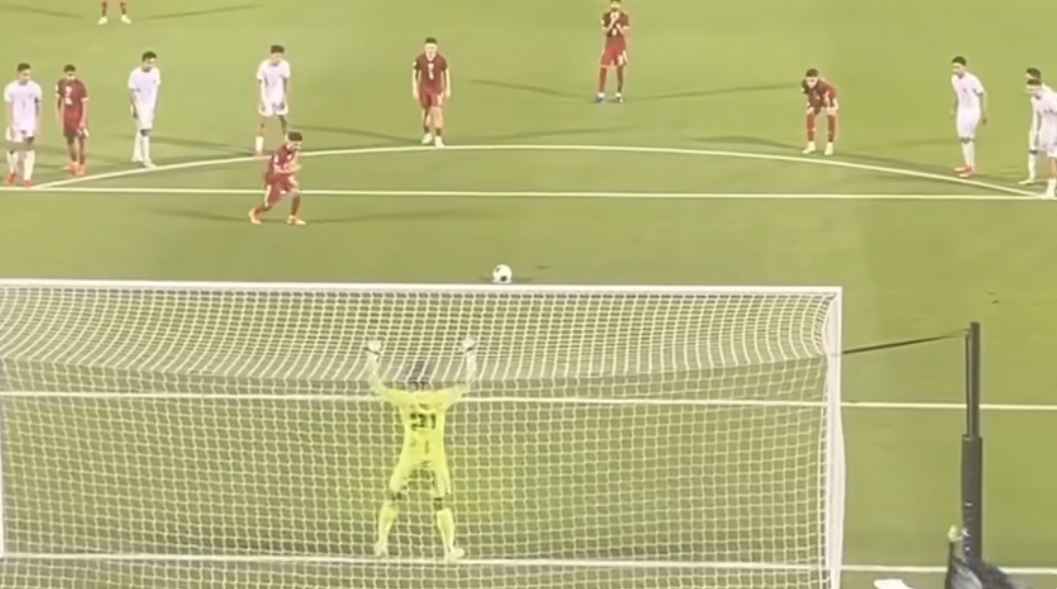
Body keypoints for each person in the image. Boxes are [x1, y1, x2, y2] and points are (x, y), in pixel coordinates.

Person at [366, 336, 478, 563]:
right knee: (441, 503)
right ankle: (449, 550)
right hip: (436, 457)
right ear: (428, 382)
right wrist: (470, 354)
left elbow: (375, 384)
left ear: (409, 382)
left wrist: (372, 356)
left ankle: (382, 543)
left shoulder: (404, 399)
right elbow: (468, 382)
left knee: (392, 497)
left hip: (410, 456)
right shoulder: (440, 398)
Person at [249, 131, 306, 225]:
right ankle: (254, 212)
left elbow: (292, 163)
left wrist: (292, 177)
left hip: (285, 177)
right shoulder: (280, 154)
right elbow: (277, 170)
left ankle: (293, 217)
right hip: (274, 179)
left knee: (296, 194)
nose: (298, 147)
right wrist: (292, 170)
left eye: (299, 145)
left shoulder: (294, 151)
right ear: (288, 142)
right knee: (269, 205)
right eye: (295, 144)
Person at [4, 63, 42, 186]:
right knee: (11, 149)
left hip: (29, 124)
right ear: (19, 74)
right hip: (15, 123)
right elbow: (8, 107)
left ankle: (27, 177)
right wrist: (10, 124)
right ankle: (13, 171)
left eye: (29, 75)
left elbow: (38, 106)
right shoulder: (10, 88)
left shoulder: (35, 88)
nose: (27, 77)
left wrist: (37, 124)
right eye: (25, 74)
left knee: (28, 149)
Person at [950, 56, 987, 178]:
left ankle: (971, 167)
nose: (955, 70)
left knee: (967, 139)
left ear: (964, 67)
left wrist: (984, 112)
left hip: (973, 112)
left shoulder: (972, 80)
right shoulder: (954, 79)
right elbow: (958, 94)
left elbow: (982, 94)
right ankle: (967, 164)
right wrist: (953, 109)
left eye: (958, 67)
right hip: (962, 111)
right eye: (954, 67)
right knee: (963, 139)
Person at [412, 38, 451, 148]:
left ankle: (438, 137)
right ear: (425, 48)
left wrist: (448, 88)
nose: (430, 50)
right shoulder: (420, 59)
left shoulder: (441, 60)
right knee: (425, 112)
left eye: (432, 47)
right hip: (424, 89)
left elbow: (446, 72)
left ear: (436, 48)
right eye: (428, 47)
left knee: (437, 111)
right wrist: (414, 89)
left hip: (436, 89)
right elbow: (414, 75)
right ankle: (427, 133)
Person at [254, 45, 292, 156]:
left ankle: (288, 146)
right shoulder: (263, 66)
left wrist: (285, 97)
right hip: (267, 98)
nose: (278, 59)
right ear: (271, 55)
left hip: (279, 97)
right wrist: (262, 99)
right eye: (276, 56)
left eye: (280, 56)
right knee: (263, 123)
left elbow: (286, 81)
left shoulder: (285, 65)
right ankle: (258, 149)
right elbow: (260, 83)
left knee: (284, 121)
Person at [128, 51, 161, 167]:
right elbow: (131, 92)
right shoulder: (135, 74)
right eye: (148, 62)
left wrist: (154, 106)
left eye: (153, 63)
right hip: (139, 107)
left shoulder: (156, 72)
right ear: (143, 61)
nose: (151, 65)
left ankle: (136, 155)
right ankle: (147, 159)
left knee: (141, 130)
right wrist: (134, 108)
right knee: (145, 132)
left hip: (150, 107)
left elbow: (155, 89)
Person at [56, 65, 89, 175]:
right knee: (69, 140)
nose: (71, 76)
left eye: (72, 74)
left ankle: (82, 164)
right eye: (69, 74)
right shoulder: (61, 84)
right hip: (67, 116)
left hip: (78, 116)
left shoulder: (80, 86)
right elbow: (59, 100)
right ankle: (74, 162)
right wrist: (59, 114)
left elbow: (85, 104)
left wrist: (83, 119)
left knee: (81, 141)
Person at [595, 0, 630, 103]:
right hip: (609, 44)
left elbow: (625, 33)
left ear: (620, 5)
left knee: (619, 69)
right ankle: (601, 93)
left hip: (620, 45)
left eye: (617, 3)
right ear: (610, 5)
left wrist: (619, 26)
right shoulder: (606, 16)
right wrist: (612, 22)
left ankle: (619, 93)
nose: (615, 6)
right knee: (603, 67)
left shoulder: (624, 17)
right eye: (613, 3)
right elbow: (605, 31)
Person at [801, 68, 838, 156]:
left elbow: (830, 96)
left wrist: (830, 107)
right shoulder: (805, 84)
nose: (810, 83)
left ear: (817, 79)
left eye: (812, 80)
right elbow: (809, 94)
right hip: (817, 98)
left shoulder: (826, 89)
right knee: (809, 113)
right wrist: (811, 104)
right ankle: (811, 144)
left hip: (827, 97)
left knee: (831, 114)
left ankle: (830, 144)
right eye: (808, 80)